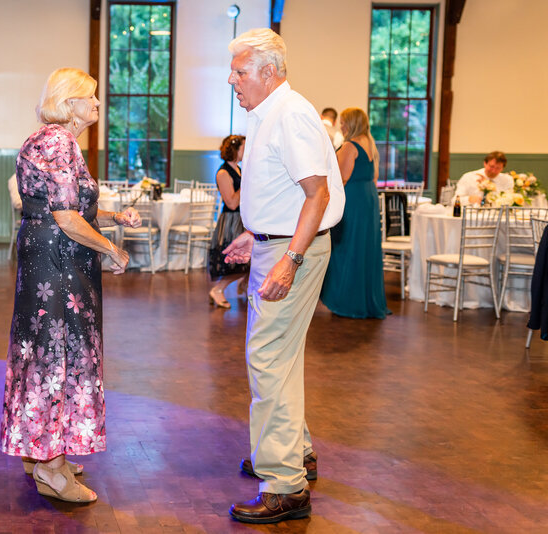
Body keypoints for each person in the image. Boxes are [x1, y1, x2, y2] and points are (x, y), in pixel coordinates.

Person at [0, 68, 141, 503]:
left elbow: (70, 204)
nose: (98, 104)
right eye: (91, 97)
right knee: (59, 355)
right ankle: (52, 469)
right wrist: (112, 249)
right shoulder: (59, 142)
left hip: (50, 260)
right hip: (58, 265)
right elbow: (65, 217)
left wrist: (114, 217)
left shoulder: (50, 140)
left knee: (43, 352)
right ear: (70, 104)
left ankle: (41, 448)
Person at [222, 28, 345, 524]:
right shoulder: (269, 113)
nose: (233, 80)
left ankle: (285, 484)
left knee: (268, 360)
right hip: (278, 245)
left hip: (293, 254)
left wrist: (288, 259)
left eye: (241, 71)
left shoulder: (291, 114)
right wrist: (259, 235)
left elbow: (317, 195)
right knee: (281, 359)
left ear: (269, 73)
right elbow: (287, 194)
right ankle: (296, 452)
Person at [320, 108, 388, 319]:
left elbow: (341, 179)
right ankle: (366, 298)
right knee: (364, 249)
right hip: (368, 199)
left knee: (344, 247)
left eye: (344, 122)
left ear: (352, 123)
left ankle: (345, 299)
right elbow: (375, 175)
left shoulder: (350, 146)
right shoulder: (371, 144)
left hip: (352, 201)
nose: (341, 126)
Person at [208, 134, 249, 308]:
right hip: (231, 222)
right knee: (238, 261)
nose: (247, 150)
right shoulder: (223, 172)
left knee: (251, 260)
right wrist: (246, 182)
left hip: (242, 219)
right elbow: (231, 203)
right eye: (244, 147)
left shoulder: (239, 169)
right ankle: (218, 289)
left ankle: (245, 285)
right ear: (235, 150)